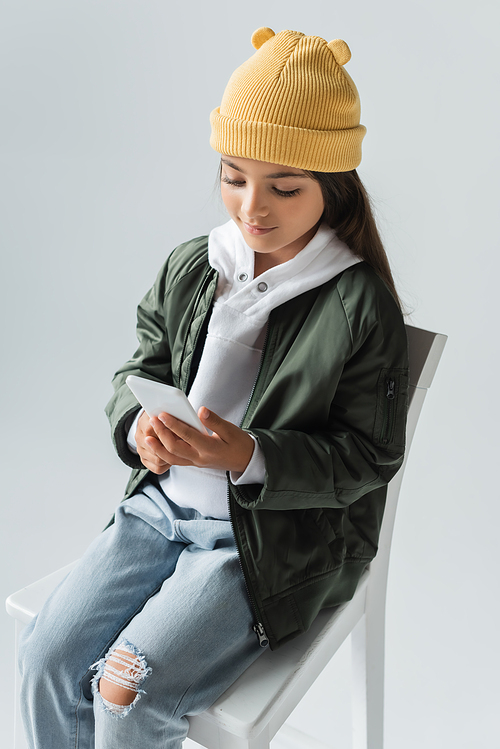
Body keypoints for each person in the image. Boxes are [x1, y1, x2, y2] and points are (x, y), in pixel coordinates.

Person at [18, 26, 409, 749]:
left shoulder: (357, 305)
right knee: (45, 657)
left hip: (263, 541)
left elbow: (368, 458)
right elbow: (138, 373)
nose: (251, 207)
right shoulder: (195, 265)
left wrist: (248, 455)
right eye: (234, 175)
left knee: (126, 689)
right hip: (158, 512)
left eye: (284, 187)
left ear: (333, 184)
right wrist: (138, 428)